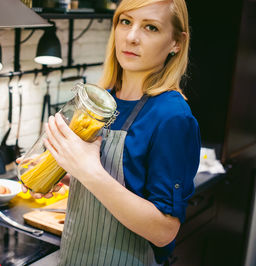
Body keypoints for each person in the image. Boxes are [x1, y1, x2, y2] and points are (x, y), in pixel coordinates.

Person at [22, 0, 201, 264]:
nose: (131, 37)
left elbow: (164, 231)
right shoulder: (102, 101)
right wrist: (62, 172)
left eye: (150, 27)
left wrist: (87, 171)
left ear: (176, 42)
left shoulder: (172, 117)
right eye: (125, 22)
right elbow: (117, 179)